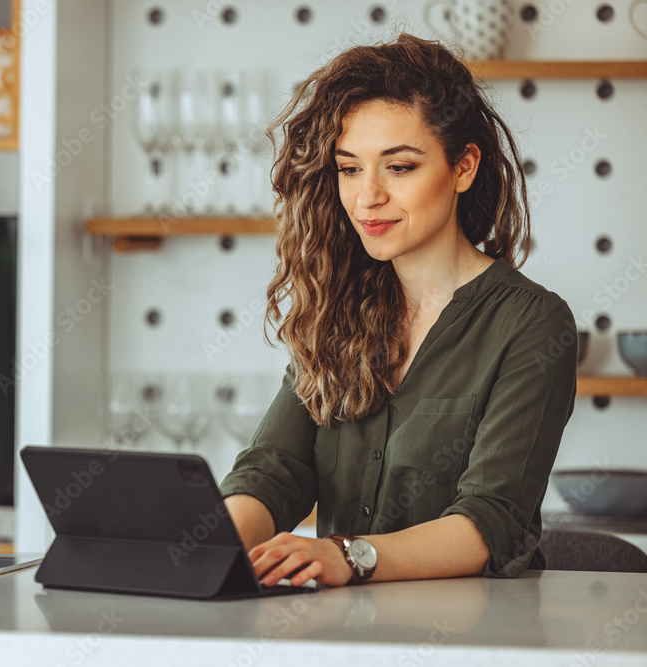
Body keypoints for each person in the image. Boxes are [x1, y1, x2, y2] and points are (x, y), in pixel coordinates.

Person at [219, 33, 578, 587]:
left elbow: (491, 518)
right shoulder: (335, 308)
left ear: (463, 167)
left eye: (400, 167)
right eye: (349, 169)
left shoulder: (532, 323)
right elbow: (275, 470)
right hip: (342, 632)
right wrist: (206, 545)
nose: (368, 197)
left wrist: (348, 554)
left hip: (479, 640)